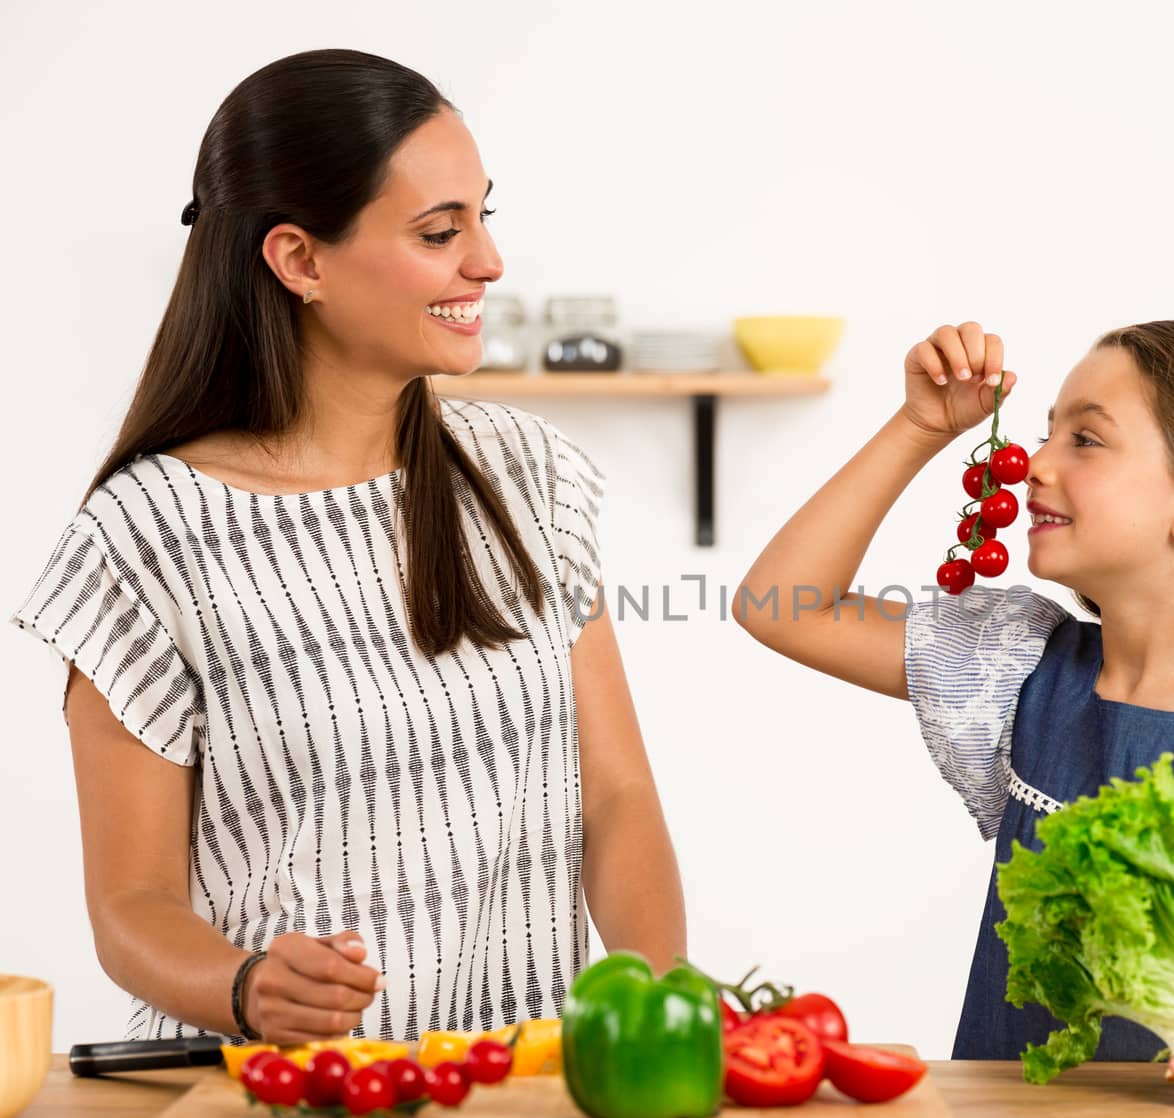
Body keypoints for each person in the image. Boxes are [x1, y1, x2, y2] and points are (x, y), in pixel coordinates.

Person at [10, 49, 684, 1045]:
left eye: (482, 217)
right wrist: (247, 986)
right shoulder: (142, 539)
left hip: (516, 1097)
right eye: (438, 231)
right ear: (299, 261)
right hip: (278, 1108)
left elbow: (617, 794)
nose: (487, 262)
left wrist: (660, 1004)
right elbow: (130, 905)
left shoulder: (528, 478)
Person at [735, 319, 1174, 1103]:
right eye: (1047, 433)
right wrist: (920, 427)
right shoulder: (1018, 665)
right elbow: (780, 607)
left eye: (1085, 440)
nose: (1036, 465)